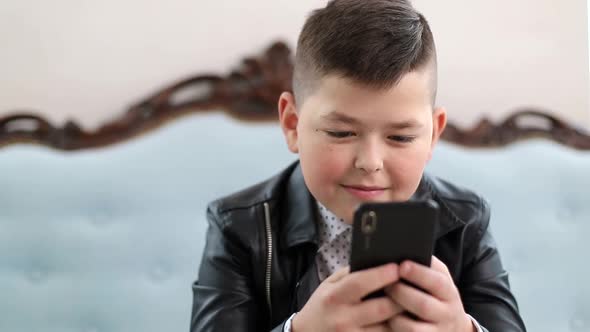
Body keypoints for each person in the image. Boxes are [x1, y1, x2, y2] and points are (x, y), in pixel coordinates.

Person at [191, 0, 526, 331]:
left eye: (401, 137)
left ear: (433, 135)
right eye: (341, 132)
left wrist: (461, 329)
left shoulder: (465, 220)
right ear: (293, 124)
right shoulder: (238, 226)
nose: (370, 162)